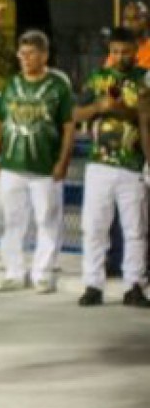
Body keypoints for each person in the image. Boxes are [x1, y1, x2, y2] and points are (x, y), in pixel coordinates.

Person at [0, 30, 74, 293]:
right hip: (12, 166)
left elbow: (69, 127)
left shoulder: (59, 86)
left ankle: (43, 273)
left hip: (46, 168)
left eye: (30, 52)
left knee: (48, 221)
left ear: (44, 55)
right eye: (21, 53)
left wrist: (62, 161)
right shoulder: (11, 84)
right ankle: (14, 272)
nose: (23, 57)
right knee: (12, 222)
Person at [75, 27, 150, 308]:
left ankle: (134, 286)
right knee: (94, 228)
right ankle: (93, 285)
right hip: (99, 164)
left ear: (136, 51)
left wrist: (120, 110)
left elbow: (146, 116)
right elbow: (74, 113)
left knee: (135, 230)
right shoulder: (97, 79)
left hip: (133, 165)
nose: (120, 57)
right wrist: (98, 107)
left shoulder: (145, 80)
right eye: (115, 51)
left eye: (126, 52)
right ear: (110, 52)